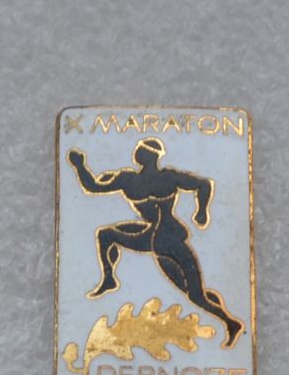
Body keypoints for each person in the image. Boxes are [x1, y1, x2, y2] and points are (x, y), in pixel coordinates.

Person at [67, 137, 244, 348]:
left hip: (168, 239)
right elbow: (93, 186)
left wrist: (202, 211)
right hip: (151, 235)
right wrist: (80, 166)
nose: (137, 151)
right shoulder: (127, 179)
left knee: (197, 296)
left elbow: (203, 184)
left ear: (150, 156)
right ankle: (109, 278)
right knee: (106, 235)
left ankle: (230, 322)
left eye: (142, 149)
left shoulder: (168, 177)